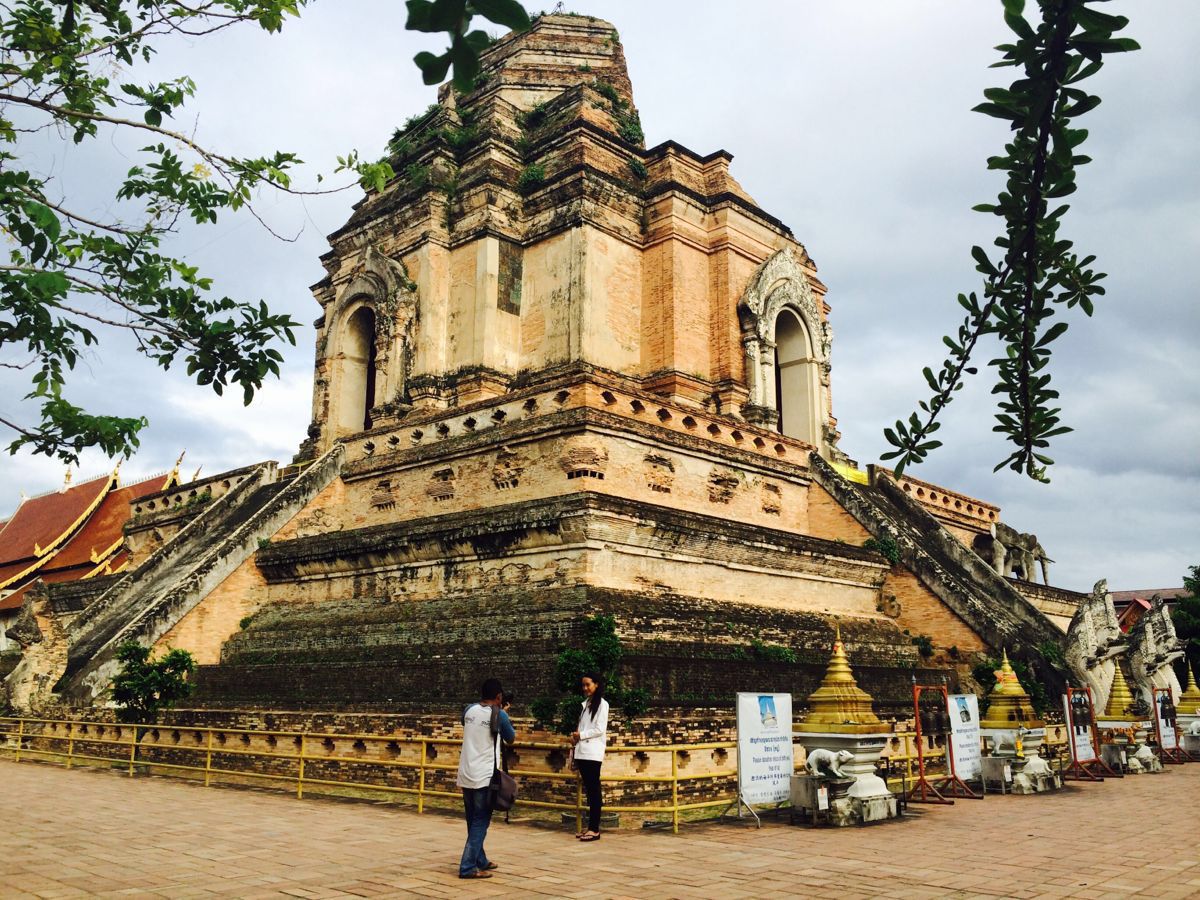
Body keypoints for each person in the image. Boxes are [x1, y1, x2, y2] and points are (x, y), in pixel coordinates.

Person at [456, 677, 515, 879]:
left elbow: (468, 723)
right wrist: (504, 714)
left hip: (466, 773)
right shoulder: (499, 715)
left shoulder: (469, 710)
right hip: (484, 777)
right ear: (499, 697)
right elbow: (511, 737)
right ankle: (467, 866)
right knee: (481, 821)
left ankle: (480, 859)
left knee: (473, 820)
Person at [571, 672, 609, 842]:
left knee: (594, 791)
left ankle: (595, 829)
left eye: (588, 685)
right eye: (584, 685)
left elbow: (599, 729)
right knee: (589, 791)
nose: (585, 688)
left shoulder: (602, 705)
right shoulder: (586, 704)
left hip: (592, 753)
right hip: (583, 752)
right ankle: (590, 827)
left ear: (597, 685)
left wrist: (581, 735)